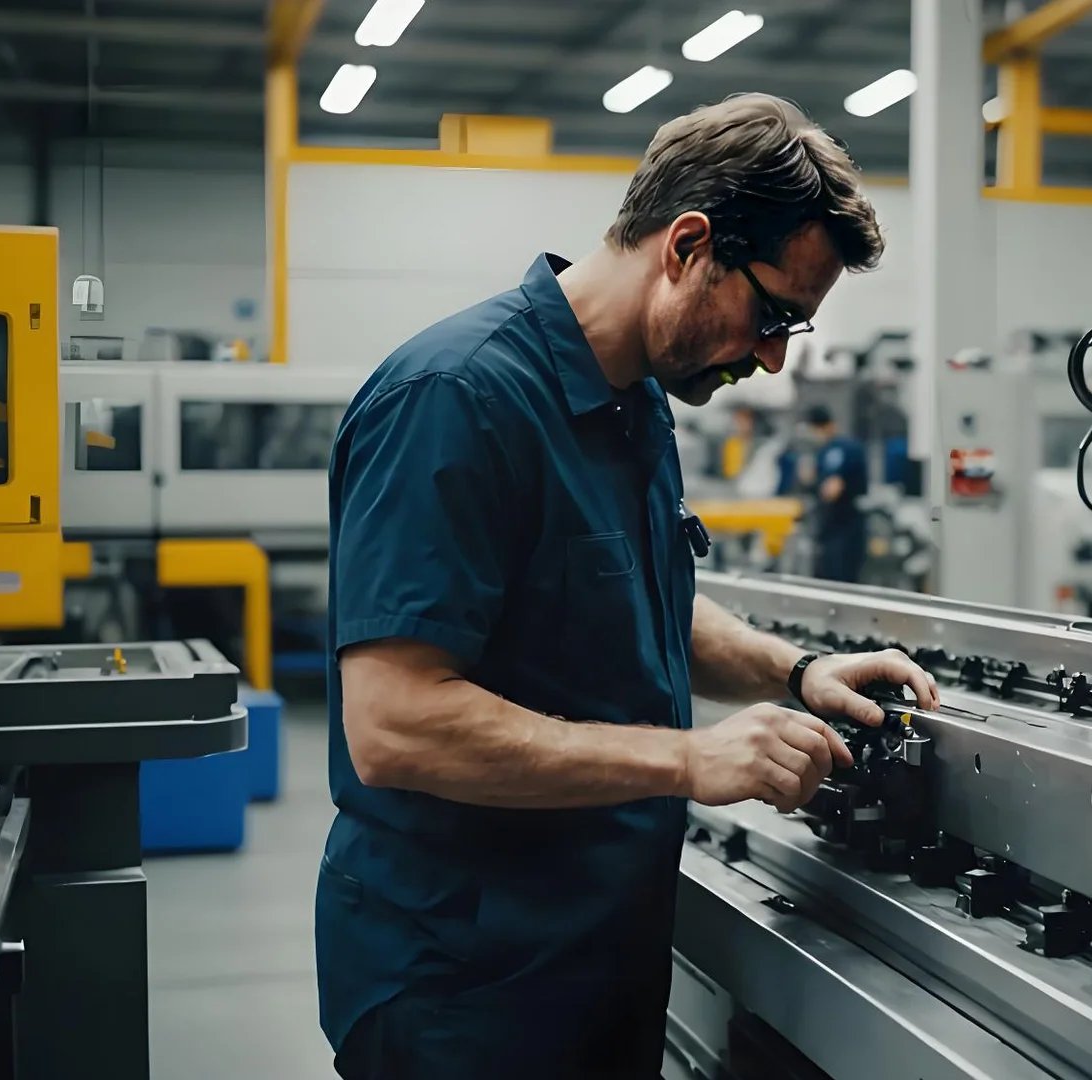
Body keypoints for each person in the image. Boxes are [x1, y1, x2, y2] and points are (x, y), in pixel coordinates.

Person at [315, 94, 940, 1079]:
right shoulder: (456, 401)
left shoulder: (633, 404)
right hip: (465, 987)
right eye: (773, 315)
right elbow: (394, 724)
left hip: (593, 961)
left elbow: (640, 596)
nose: (775, 357)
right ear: (687, 246)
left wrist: (798, 670)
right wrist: (690, 761)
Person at [800, 405, 870, 582]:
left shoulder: (842, 448)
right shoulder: (824, 451)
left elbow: (832, 489)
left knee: (841, 580)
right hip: (829, 527)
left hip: (844, 527)